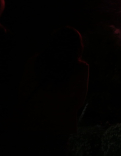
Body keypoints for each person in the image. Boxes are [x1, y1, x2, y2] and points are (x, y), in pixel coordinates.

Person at [15, 26, 89, 155]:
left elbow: (23, 90)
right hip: (60, 125)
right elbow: (79, 100)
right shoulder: (80, 68)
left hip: (32, 121)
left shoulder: (35, 61)